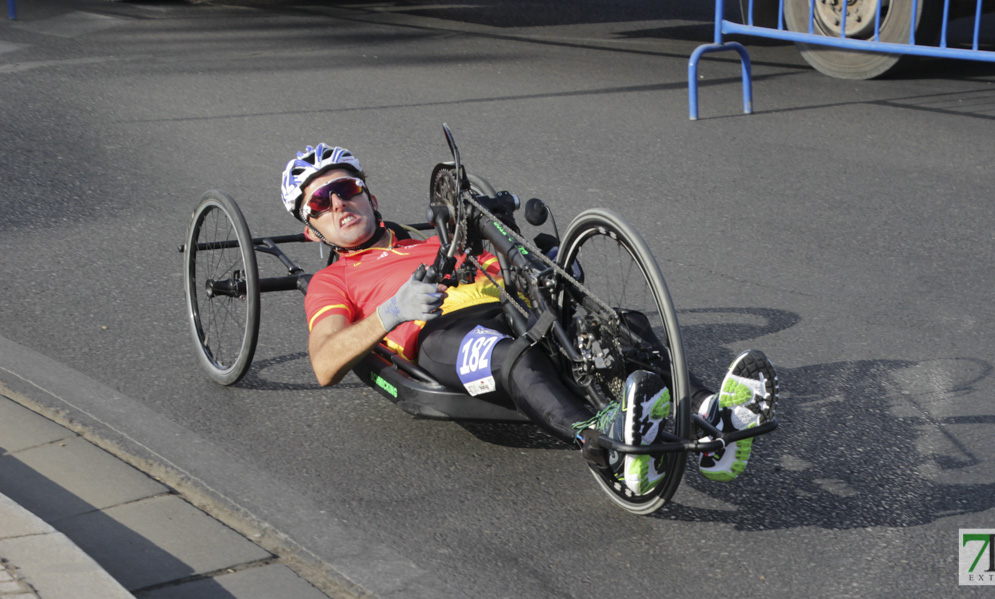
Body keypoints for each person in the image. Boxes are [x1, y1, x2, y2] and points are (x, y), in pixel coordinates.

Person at [280, 143, 779, 493]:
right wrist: (392, 311)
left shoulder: (433, 236)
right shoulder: (333, 282)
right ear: (312, 231)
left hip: (511, 304)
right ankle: (607, 442)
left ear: (370, 194)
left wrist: (550, 266)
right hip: (440, 333)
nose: (339, 203)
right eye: (321, 203)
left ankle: (713, 417)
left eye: (346, 188)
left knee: (623, 327)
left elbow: (507, 257)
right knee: (514, 359)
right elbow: (324, 363)